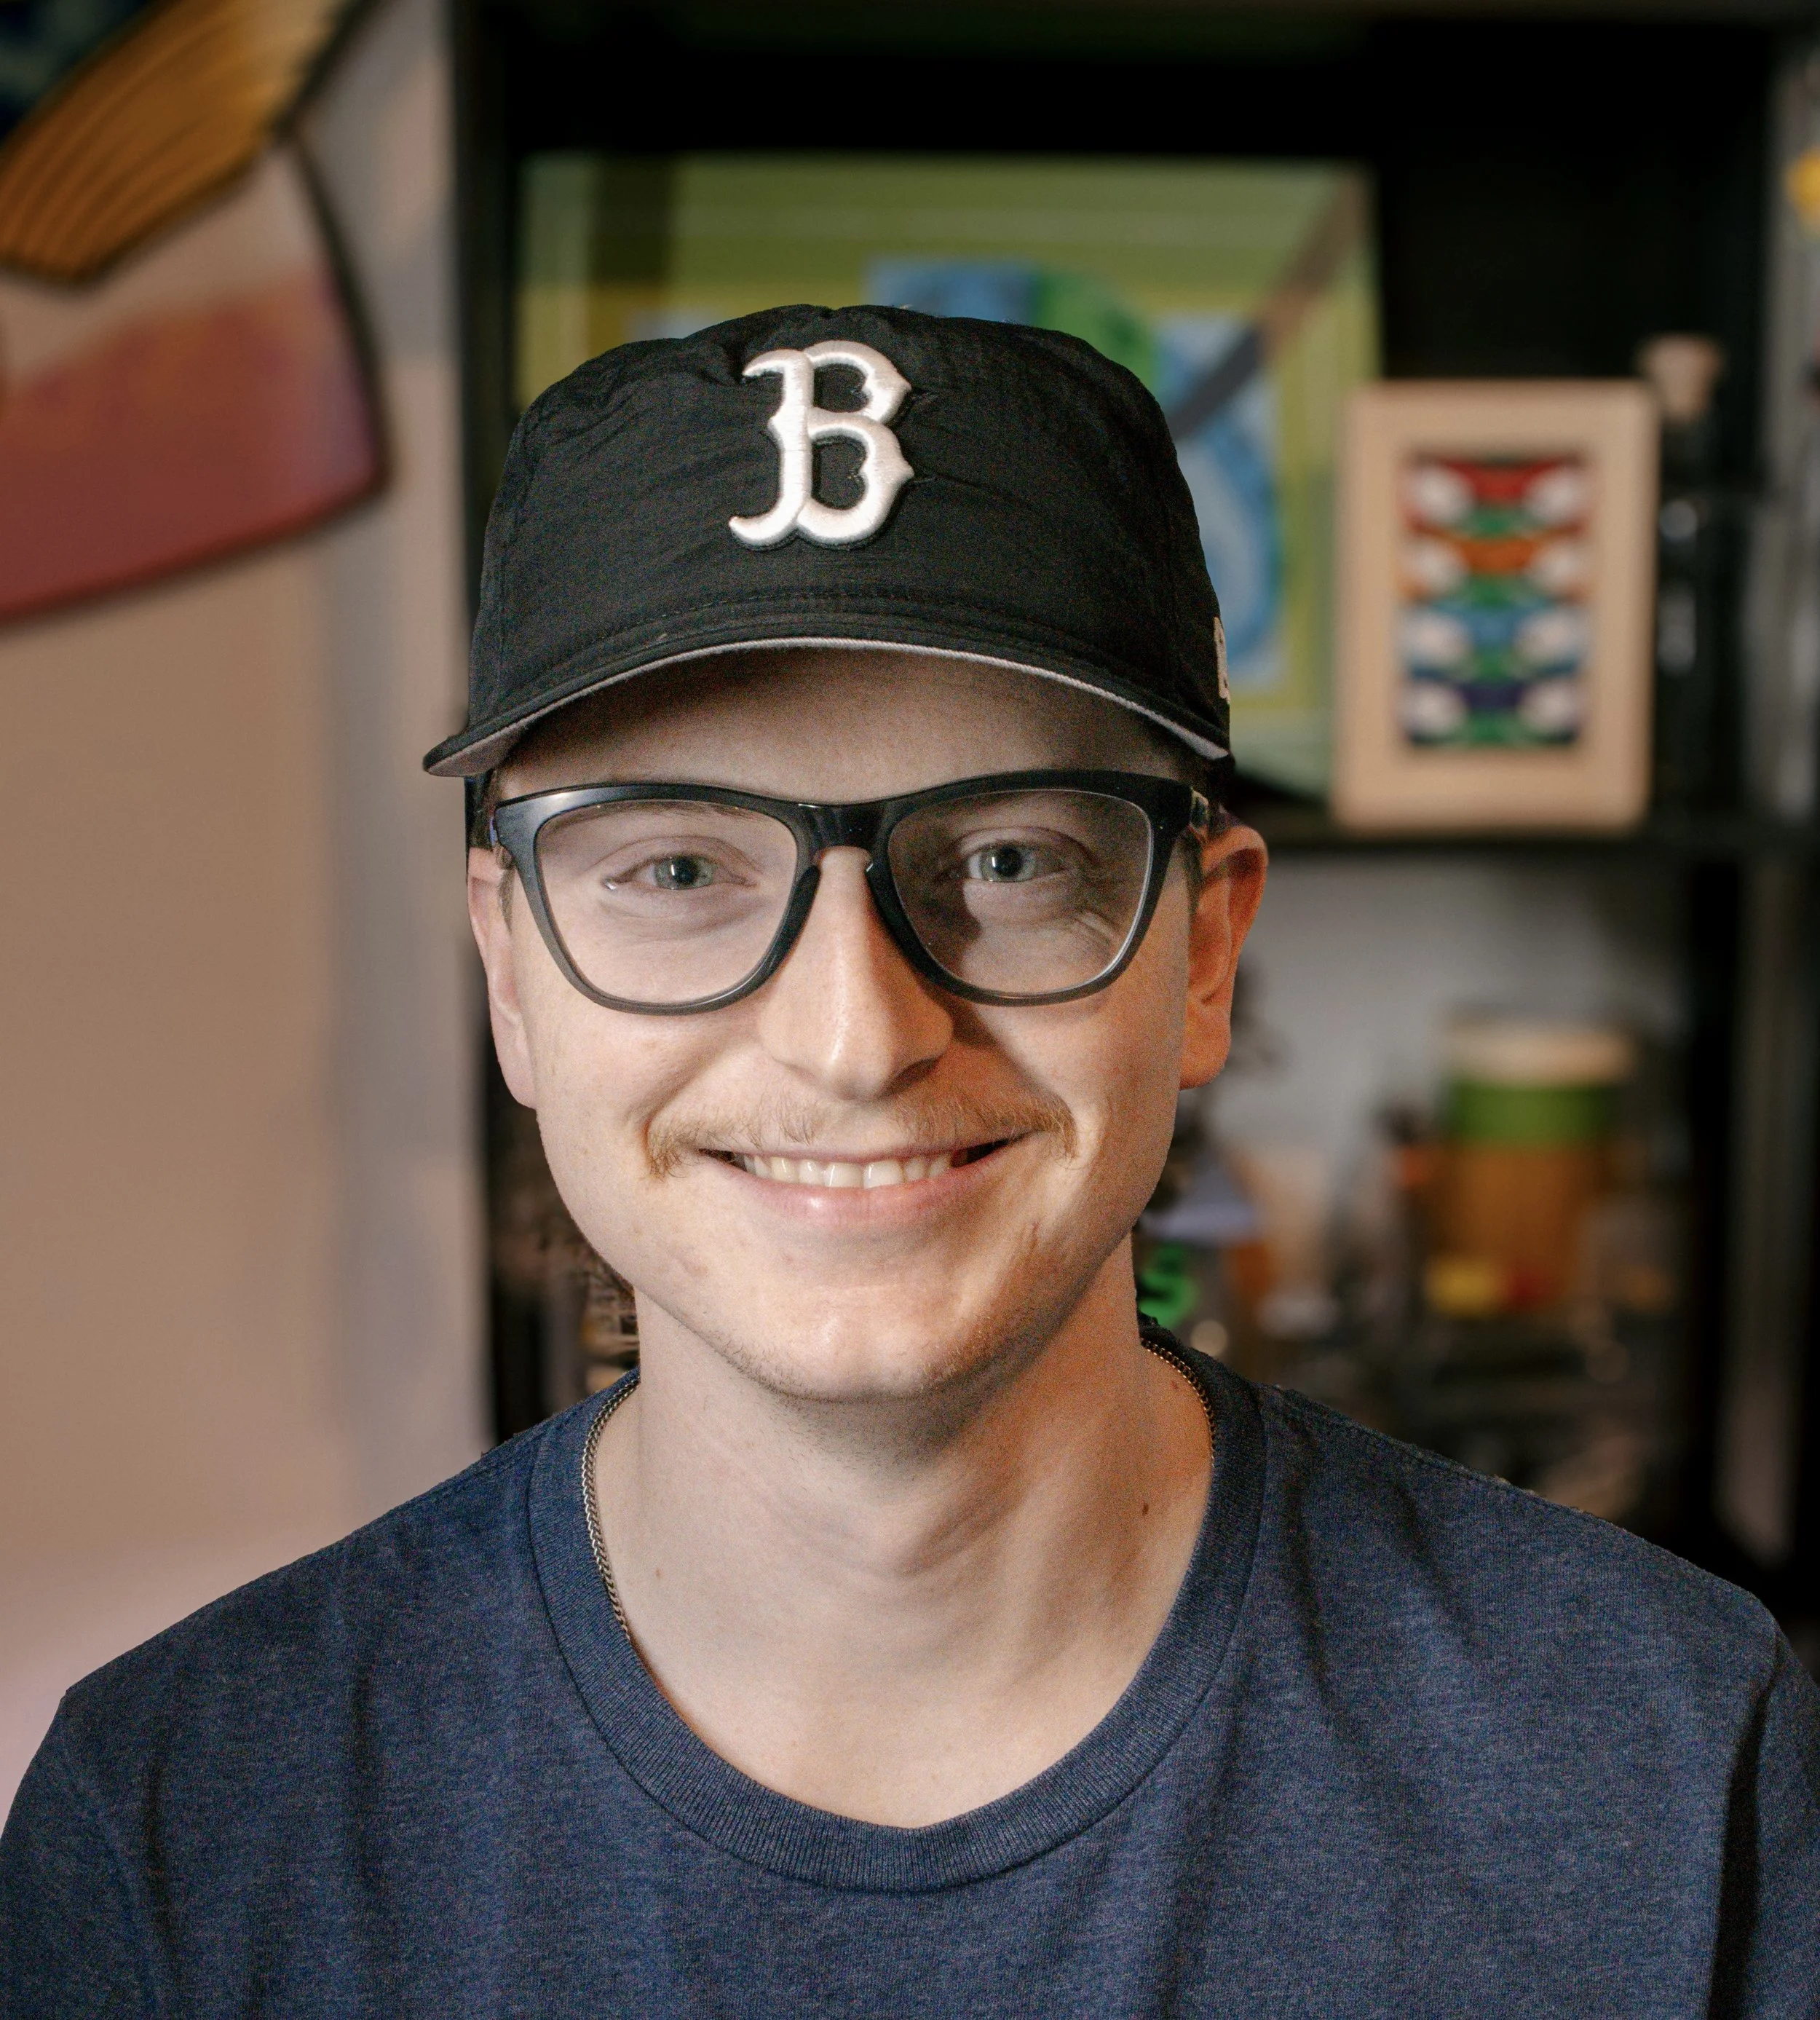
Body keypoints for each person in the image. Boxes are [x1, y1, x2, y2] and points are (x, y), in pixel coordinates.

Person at [2, 305, 1816, 2016]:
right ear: (510, 967)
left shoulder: (1666, 1763)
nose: (856, 1036)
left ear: (1201, 954)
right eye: (677, 867)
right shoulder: (185, 1825)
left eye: (1011, 859)